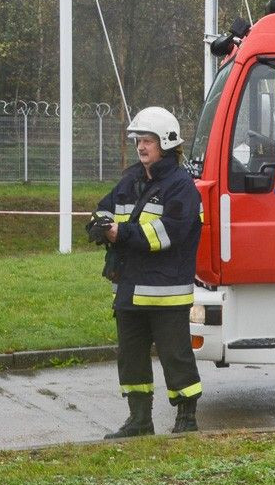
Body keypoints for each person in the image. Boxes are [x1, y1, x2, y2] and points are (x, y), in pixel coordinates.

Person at [87, 106, 203, 438]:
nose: (141, 146)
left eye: (148, 140)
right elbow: (104, 208)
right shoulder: (131, 180)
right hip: (129, 289)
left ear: (166, 143)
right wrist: (99, 224)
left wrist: (119, 233)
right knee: (131, 358)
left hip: (166, 294)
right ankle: (139, 420)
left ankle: (186, 418)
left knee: (176, 357)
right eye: (138, 140)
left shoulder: (181, 187)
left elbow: (166, 234)